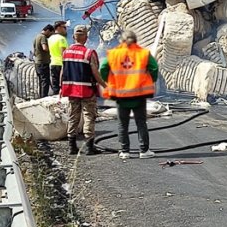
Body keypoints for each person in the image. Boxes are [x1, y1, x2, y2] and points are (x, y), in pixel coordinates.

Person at [99, 29, 159, 159]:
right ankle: (144, 151)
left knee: (123, 123)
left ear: (122, 40)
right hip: (139, 94)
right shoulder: (143, 53)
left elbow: (103, 68)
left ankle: (124, 151)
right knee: (141, 122)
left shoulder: (113, 54)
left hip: (121, 95)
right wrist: (150, 80)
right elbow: (154, 68)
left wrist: (110, 80)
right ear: (135, 40)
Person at [60, 24, 105, 155]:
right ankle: (89, 147)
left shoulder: (66, 52)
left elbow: (63, 72)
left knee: (73, 116)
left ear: (74, 37)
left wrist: (60, 87)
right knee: (88, 116)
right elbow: (95, 73)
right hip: (87, 91)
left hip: (71, 90)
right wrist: (104, 85)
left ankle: (72, 147)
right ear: (86, 37)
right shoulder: (89, 53)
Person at [32, 23, 54, 98]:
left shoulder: (37, 36)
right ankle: (44, 97)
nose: (50, 35)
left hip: (37, 62)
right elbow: (44, 48)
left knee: (41, 81)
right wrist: (51, 50)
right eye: (51, 33)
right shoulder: (43, 37)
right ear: (47, 30)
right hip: (43, 63)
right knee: (45, 82)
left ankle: (40, 96)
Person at [47, 21, 69, 95]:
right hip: (61, 65)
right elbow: (63, 53)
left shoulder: (50, 38)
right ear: (59, 27)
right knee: (63, 85)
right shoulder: (61, 39)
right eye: (64, 27)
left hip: (53, 63)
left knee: (55, 85)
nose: (65, 29)